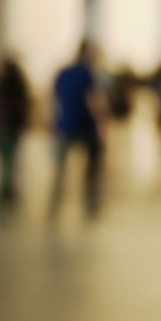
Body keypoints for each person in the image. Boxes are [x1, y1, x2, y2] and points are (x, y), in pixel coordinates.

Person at [51, 40, 107, 218]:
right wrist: (100, 124)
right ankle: (90, 202)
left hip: (63, 125)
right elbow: (92, 100)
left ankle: (55, 203)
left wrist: (50, 123)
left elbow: (53, 100)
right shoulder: (86, 74)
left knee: (60, 168)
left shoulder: (62, 73)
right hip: (84, 126)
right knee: (91, 166)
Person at [0, 54, 31, 206]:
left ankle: (4, 189)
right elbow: (25, 105)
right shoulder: (19, 83)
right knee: (9, 160)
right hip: (12, 126)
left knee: (4, 160)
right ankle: (6, 189)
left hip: (1, 126)